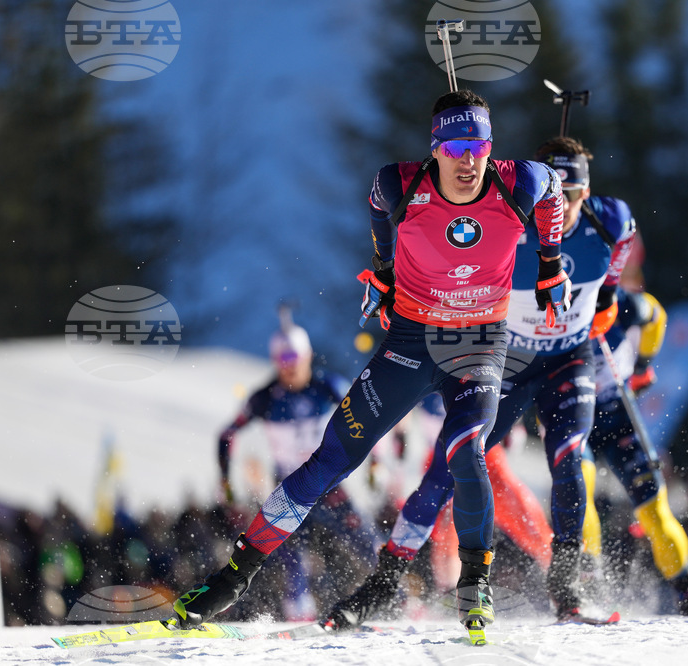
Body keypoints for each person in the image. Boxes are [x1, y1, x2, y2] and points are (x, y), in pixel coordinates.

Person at [168, 89, 570, 635]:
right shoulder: (399, 184)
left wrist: (549, 263)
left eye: (477, 143)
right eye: (455, 145)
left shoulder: (519, 182)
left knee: (465, 449)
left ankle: (475, 583)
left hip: (478, 340)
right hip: (410, 342)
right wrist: (382, 269)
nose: (468, 159)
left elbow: (553, 195)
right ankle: (233, 577)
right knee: (330, 459)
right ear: (436, 150)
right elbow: (381, 211)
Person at [322, 136, 636, 627]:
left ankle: (567, 585)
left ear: (587, 190)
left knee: (569, 455)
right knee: (449, 465)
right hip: (507, 358)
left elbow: (616, 264)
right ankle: (386, 582)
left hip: (568, 360)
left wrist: (608, 300)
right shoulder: (513, 225)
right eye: (560, 194)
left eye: (576, 193)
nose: (568, 205)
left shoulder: (611, 220)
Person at [214, 316, 377, 620]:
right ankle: (299, 610)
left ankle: (392, 596)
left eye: (295, 358)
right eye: (282, 359)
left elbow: (369, 416)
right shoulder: (265, 398)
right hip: (289, 486)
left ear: (308, 356)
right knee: (289, 556)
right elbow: (226, 435)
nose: (289, 366)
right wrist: (225, 482)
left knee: (364, 540)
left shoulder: (327, 385)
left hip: (328, 484)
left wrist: (375, 463)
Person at [584, 289, 688, 615]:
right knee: (579, 492)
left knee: (654, 509)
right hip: (574, 414)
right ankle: (586, 587)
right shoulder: (552, 297)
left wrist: (643, 366)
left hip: (618, 414)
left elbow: (655, 315)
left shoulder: (615, 299)